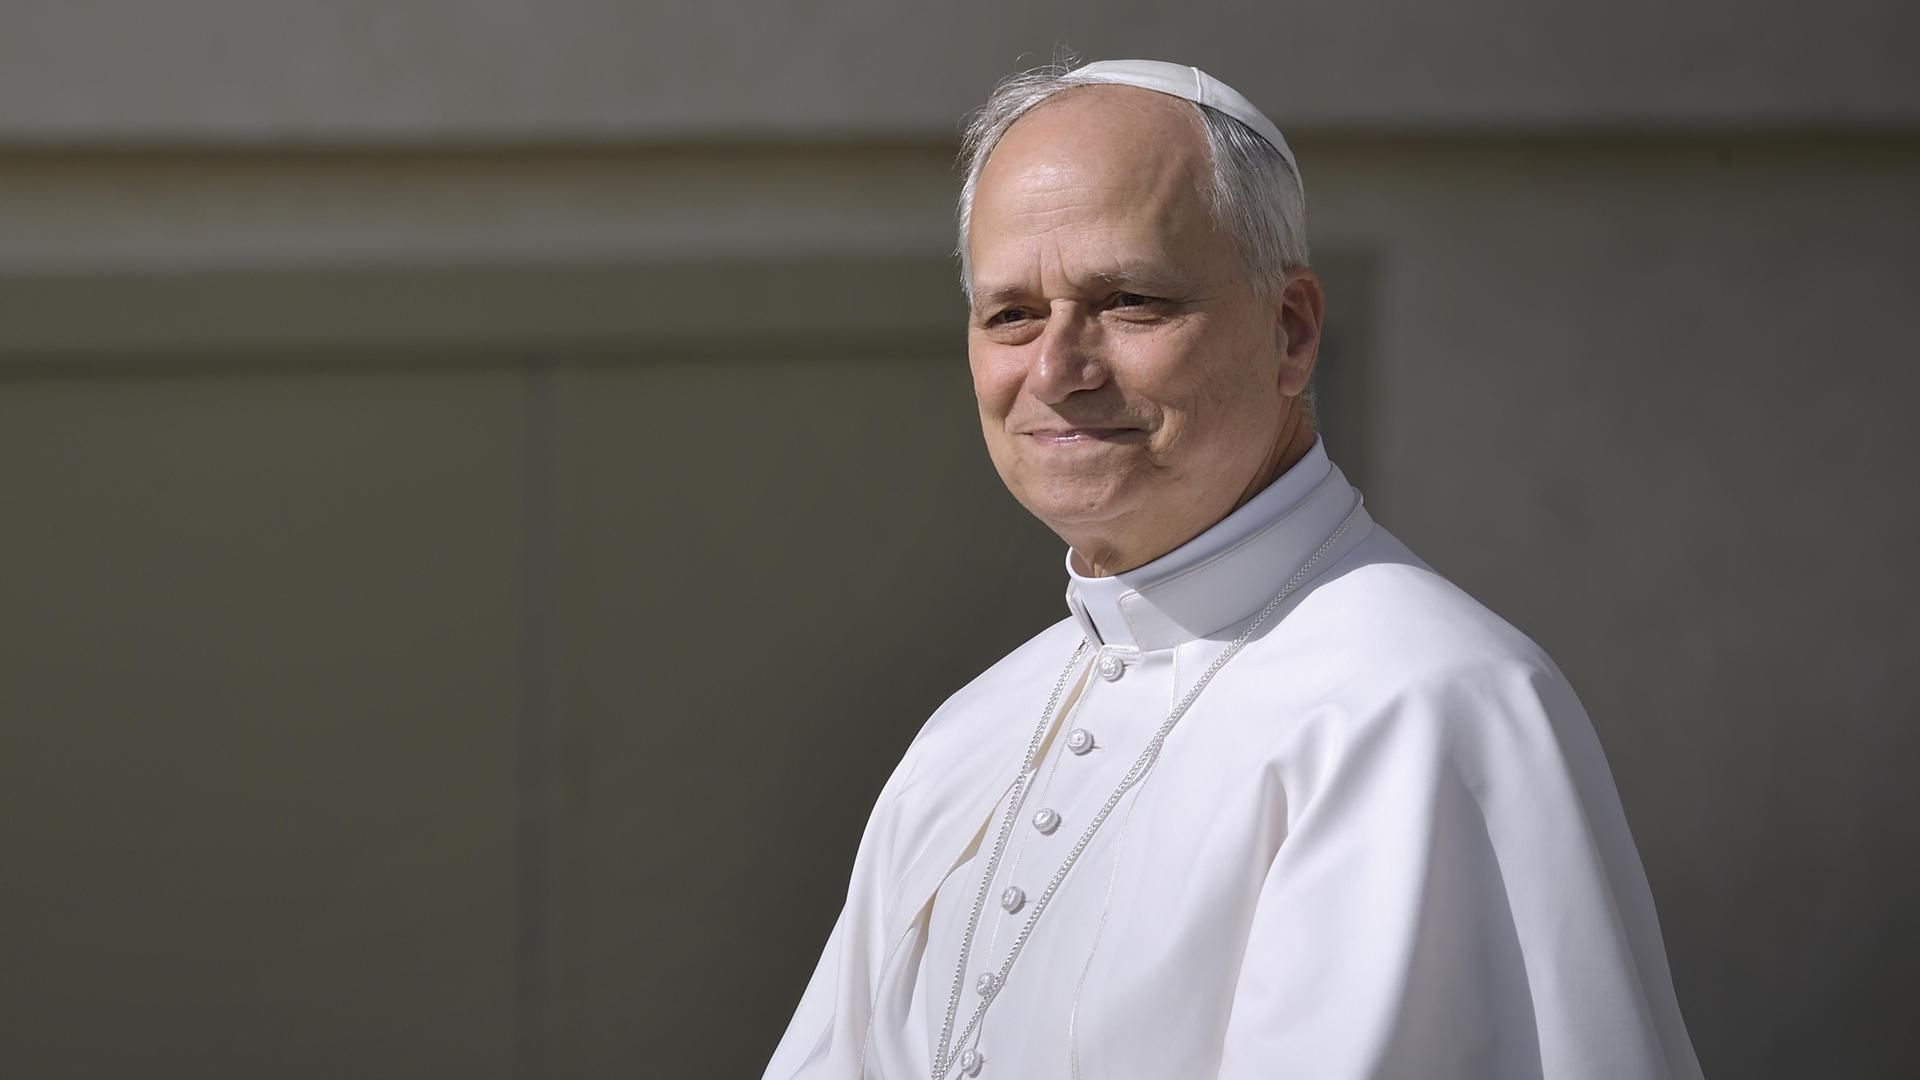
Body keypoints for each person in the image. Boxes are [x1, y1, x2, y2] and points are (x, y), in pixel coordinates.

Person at [764, 58, 1702, 1080]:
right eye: (1011, 314)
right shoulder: (970, 733)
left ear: (1290, 331)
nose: (1057, 368)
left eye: (1128, 300)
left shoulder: (1421, 706)